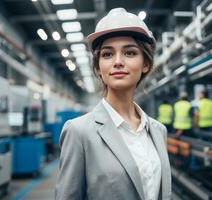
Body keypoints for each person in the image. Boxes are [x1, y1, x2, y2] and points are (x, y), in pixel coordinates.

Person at [55, 8, 171, 200]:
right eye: (108, 55)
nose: (118, 61)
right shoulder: (79, 132)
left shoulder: (158, 131)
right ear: (99, 68)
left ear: (146, 64)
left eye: (130, 53)